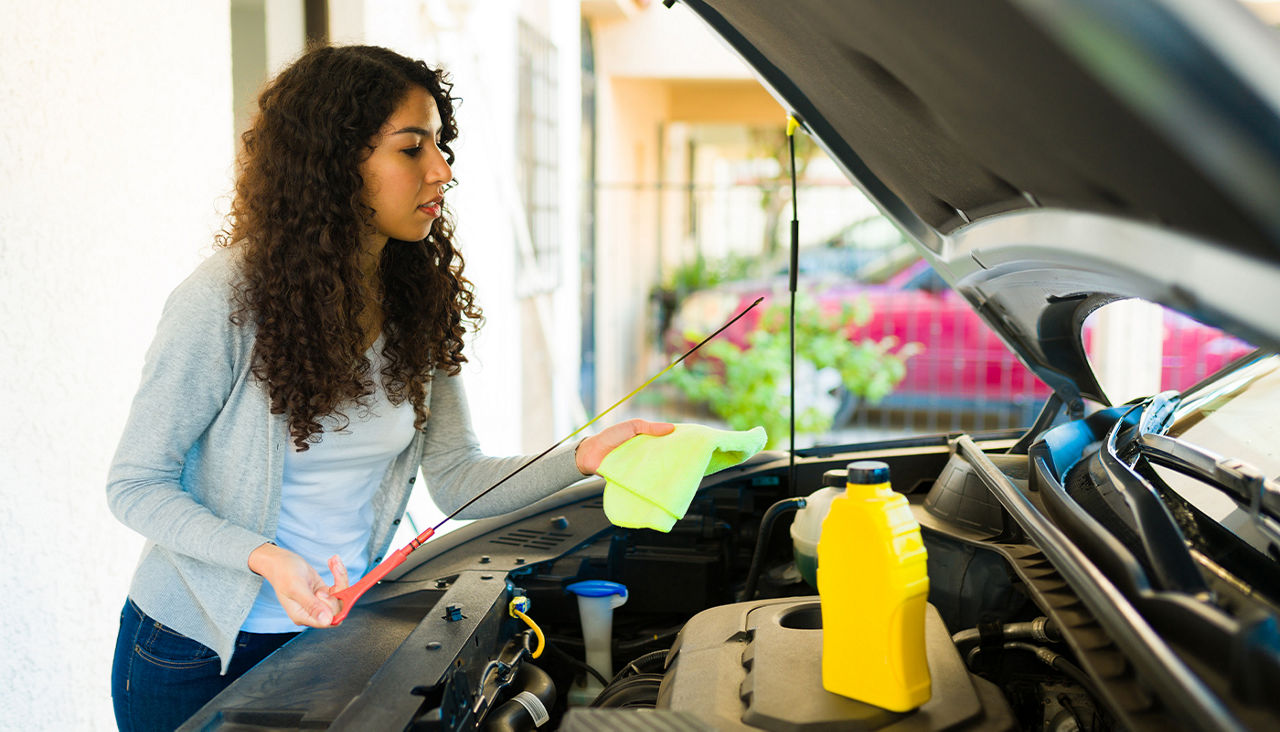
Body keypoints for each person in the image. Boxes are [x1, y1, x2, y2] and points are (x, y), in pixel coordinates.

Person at [106, 44, 672, 732]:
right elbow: (136, 484)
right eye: (413, 149)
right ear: (334, 163)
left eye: (440, 144)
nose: (442, 170)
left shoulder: (415, 298)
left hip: (334, 639)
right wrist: (266, 558)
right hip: (193, 654)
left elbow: (457, 478)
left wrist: (587, 457)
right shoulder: (224, 299)